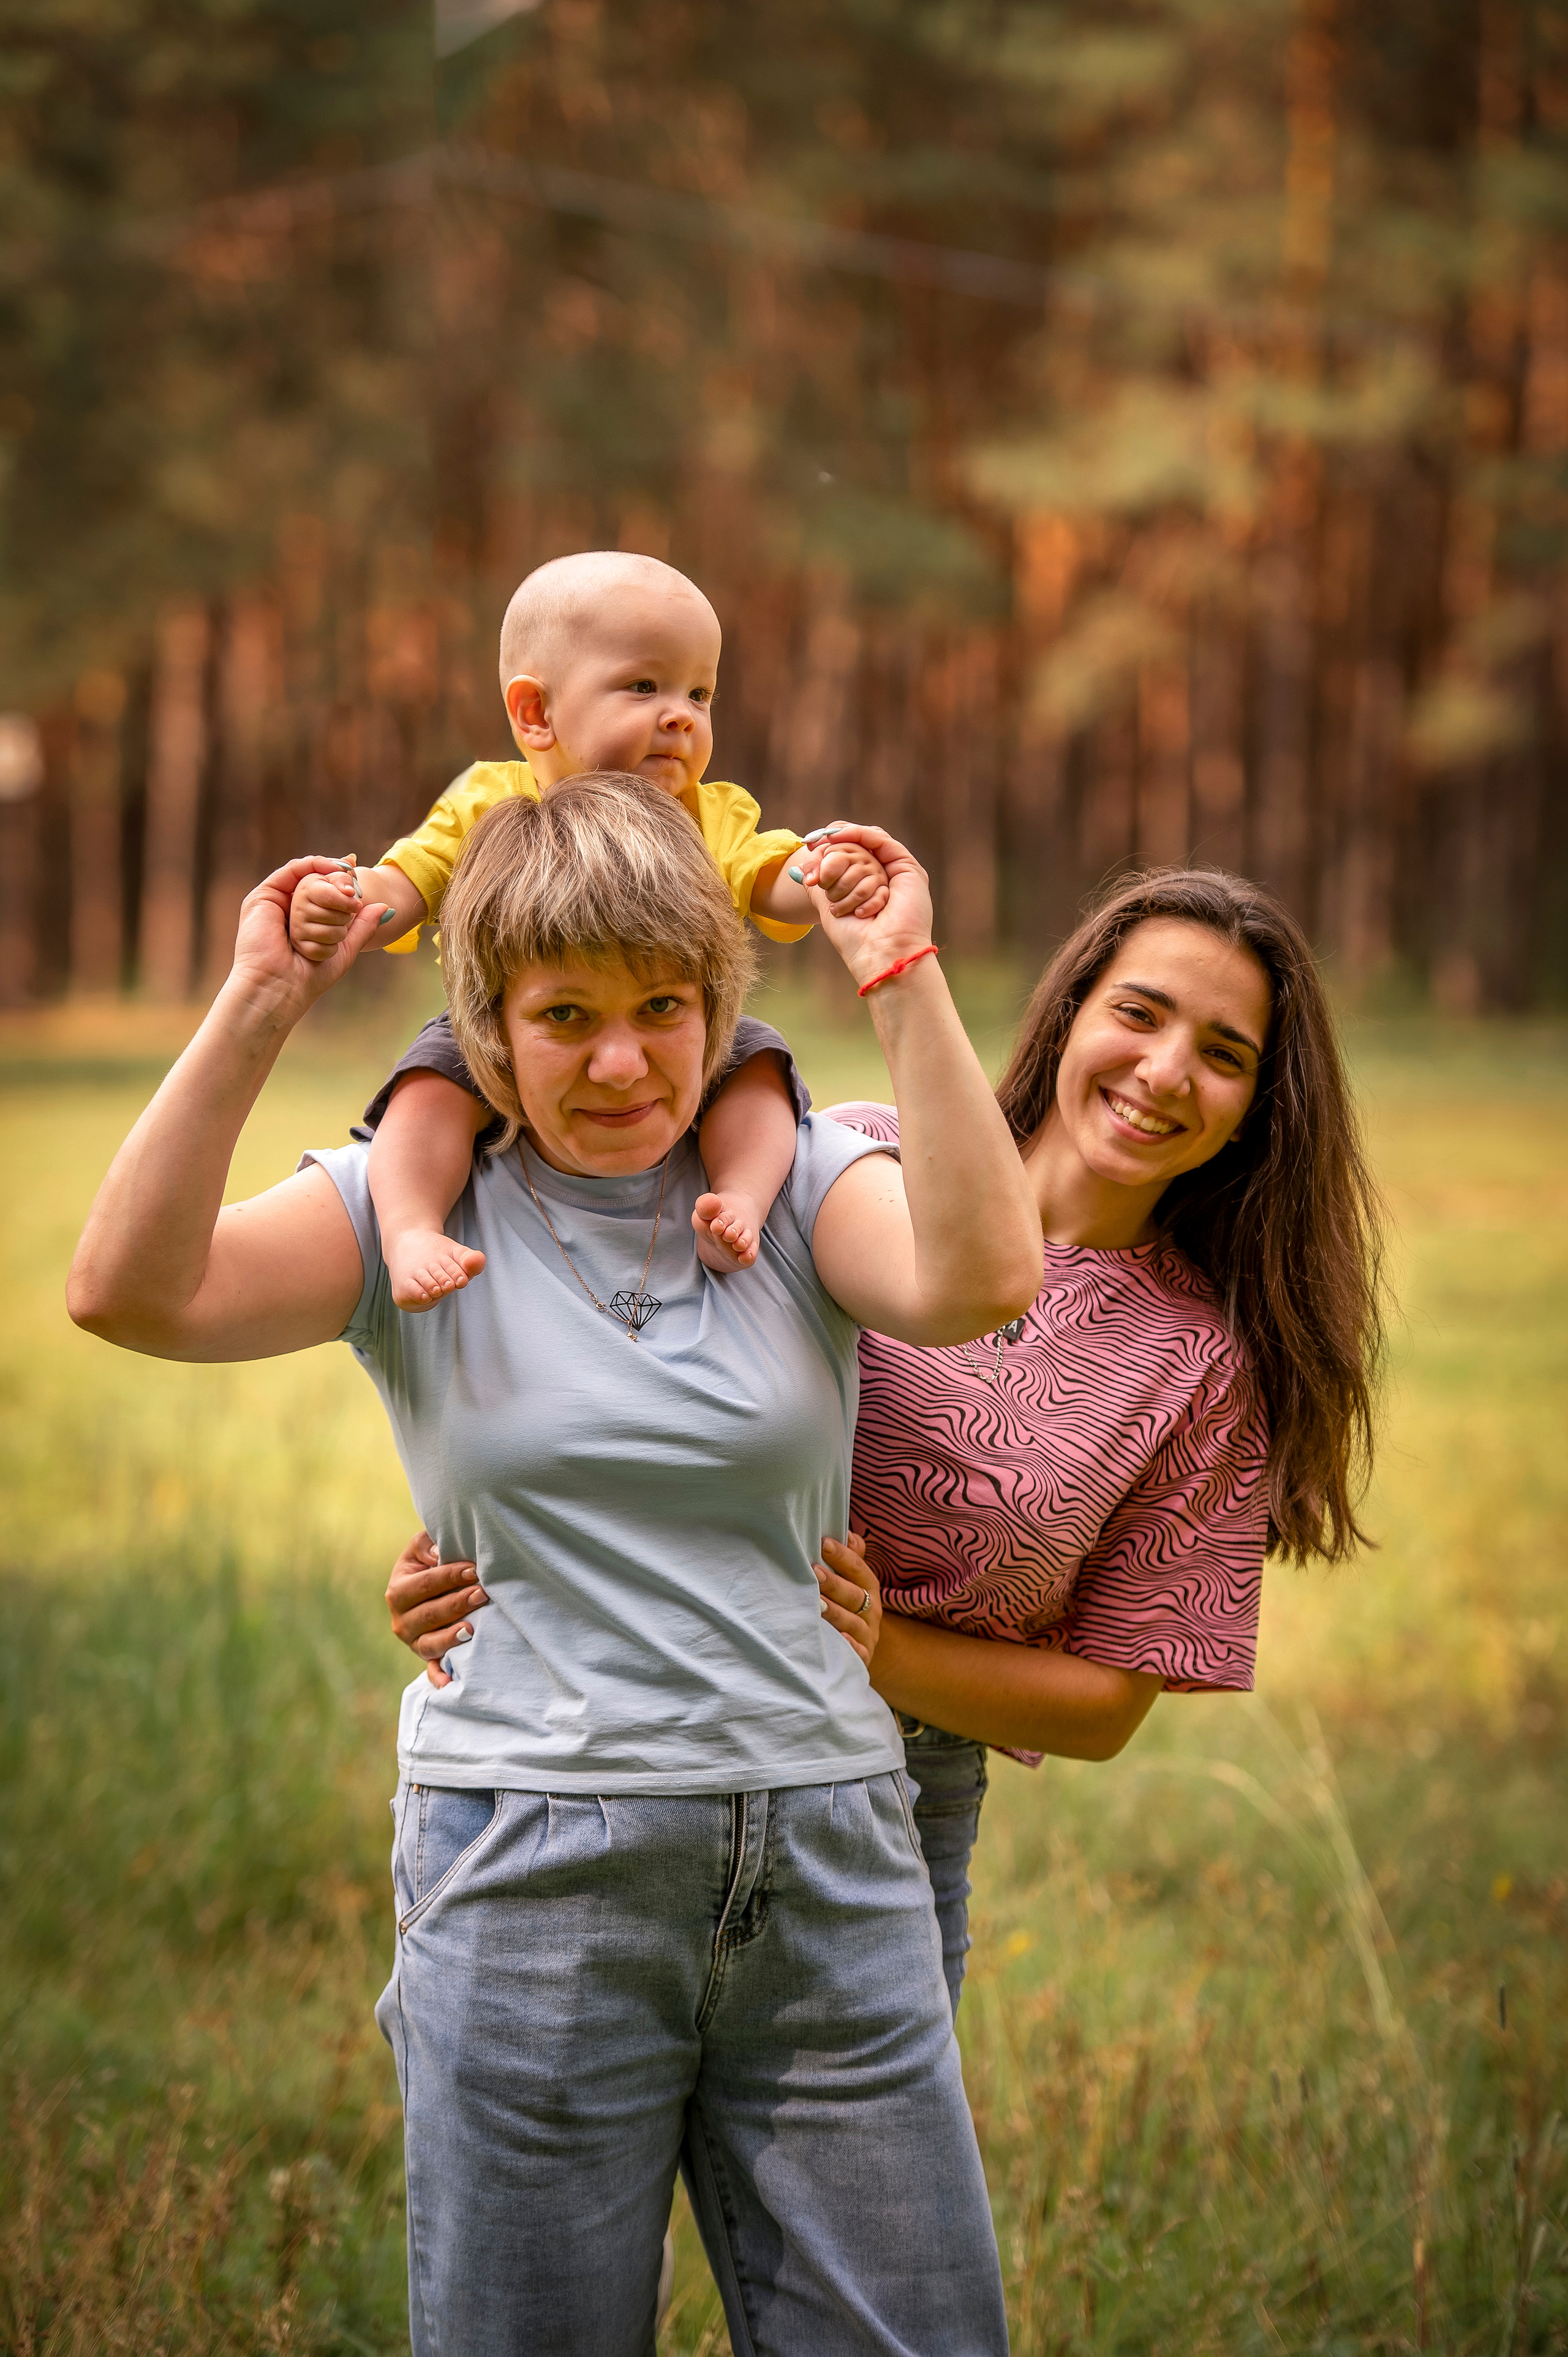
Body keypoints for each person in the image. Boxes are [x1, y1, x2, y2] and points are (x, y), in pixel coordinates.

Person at [67, 770, 1043, 2356]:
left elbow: (983, 1272)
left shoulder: (789, 1183)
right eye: (564, 1011)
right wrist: (261, 997)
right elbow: (127, 1289)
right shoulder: (412, 1209)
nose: (620, 1058)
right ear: (490, 1027)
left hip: (826, 1861)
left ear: (719, 1002)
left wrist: (904, 975)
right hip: (532, 1862)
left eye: (666, 1004)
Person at [388, 866, 1385, 2017]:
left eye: (1225, 1053)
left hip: (902, 1789)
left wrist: (881, 1649)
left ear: (1260, 1102)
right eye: (1140, 1013)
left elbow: (1109, 1704)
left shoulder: (1200, 1362)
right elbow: (599, 1339)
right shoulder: (848, 1159)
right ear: (1071, 1013)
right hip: (611, 1733)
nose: (1165, 1073)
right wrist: (472, 1549)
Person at [285, 548, 892, 1309]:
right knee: (429, 1087)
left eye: (700, 693)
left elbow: (770, 875)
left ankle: (740, 1200)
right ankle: (409, 1229)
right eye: (644, 686)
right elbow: (408, 880)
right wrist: (344, 904)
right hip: (512, 1032)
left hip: (680, 1028)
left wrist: (827, 874)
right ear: (535, 713)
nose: (680, 714)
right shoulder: (490, 802)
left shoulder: (710, 812)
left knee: (760, 1072)